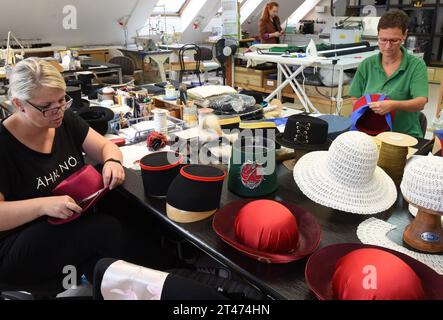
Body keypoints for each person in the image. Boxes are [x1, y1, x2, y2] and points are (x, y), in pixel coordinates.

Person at [0, 58, 126, 289]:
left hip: (66, 224)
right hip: (17, 242)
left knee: (123, 209)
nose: (57, 110)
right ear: (19, 104)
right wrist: (43, 205)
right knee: (107, 230)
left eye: (62, 100)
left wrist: (112, 162)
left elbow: (106, 147)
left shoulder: (62, 118)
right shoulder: (4, 145)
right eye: (47, 106)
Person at [349, 9, 428, 138]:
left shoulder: (416, 66)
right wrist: (365, 108)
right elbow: (354, 98)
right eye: (383, 40)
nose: (387, 46)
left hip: (403, 135)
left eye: (394, 41)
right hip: (370, 133)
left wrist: (393, 105)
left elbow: (420, 102)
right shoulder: (366, 65)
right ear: (378, 35)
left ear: (405, 35)